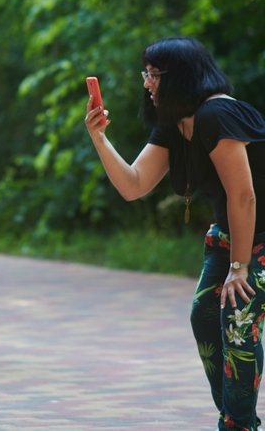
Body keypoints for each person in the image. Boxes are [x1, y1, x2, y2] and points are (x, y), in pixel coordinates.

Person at [85, 37, 265, 431]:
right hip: (229, 235)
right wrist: (99, 137)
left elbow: (244, 195)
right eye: (145, 74)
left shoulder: (218, 114)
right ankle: (239, 420)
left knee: (237, 322)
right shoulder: (174, 125)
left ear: (180, 76)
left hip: (255, 240)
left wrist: (240, 266)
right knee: (204, 317)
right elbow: (134, 185)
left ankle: (235, 424)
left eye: (153, 75)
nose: (146, 83)